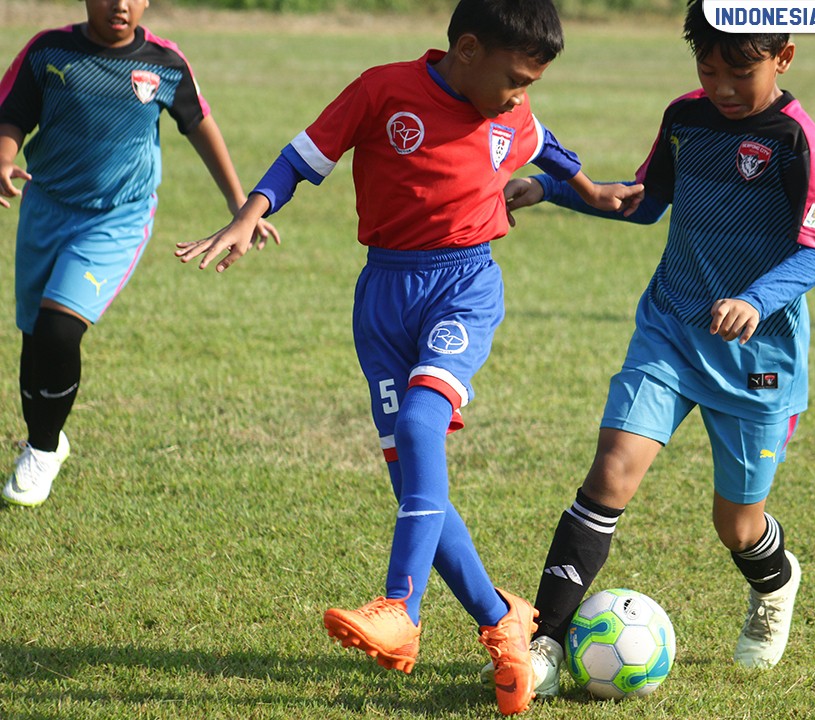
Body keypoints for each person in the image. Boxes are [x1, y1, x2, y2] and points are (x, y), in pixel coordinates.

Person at [175, 0, 642, 714]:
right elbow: (303, 159)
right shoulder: (383, 90)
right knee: (413, 483)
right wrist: (250, 212)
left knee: (423, 430)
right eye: (515, 77)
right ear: (466, 49)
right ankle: (503, 620)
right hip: (384, 298)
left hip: (464, 286)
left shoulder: (507, 112)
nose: (521, 96)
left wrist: (586, 190)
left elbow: (545, 145)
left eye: (531, 84)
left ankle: (401, 608)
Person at [485, 1, 815, 698]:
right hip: (672, 329)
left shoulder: (798, 142)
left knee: (736, 525)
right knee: (611, 473)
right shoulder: (687, 117)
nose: (724, 89)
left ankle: (774, 583)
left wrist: (754, 299)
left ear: (784, 58)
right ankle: (545, 646)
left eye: (742, 72)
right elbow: (646, 201)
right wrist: (554, 189)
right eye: (709, 70)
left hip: (756, 360)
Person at [0, 0, 278, 508]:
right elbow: (11, 115)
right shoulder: (48, 51)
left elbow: (201, 125)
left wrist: (241, 207)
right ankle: (44, 437)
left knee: (61, 327)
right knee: (35, 338)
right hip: (45, 208)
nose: (119, 4)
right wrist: (4, 156)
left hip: (116, 218)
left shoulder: (164, 63)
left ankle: (41, 451)